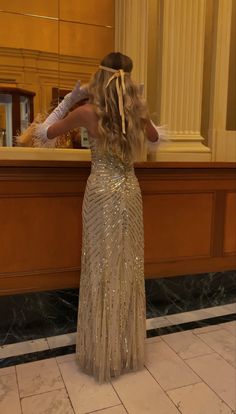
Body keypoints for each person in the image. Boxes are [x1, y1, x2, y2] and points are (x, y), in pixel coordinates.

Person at [34, 52, 159, 383]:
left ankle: (102, 350)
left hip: (101, 194)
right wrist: (138, 103)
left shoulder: (86, 112)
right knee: (127, 266)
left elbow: (44, 134)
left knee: (101, 266)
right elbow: (156, 139)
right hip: (130, 193)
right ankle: (124, 349)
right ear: (128, 81)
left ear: (98, 79)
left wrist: (68, 100)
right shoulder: (136, 111)